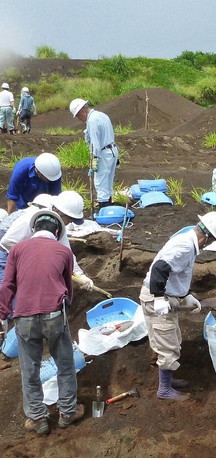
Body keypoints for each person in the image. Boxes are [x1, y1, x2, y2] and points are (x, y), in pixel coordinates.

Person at [0, 210, 84, 435]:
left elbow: (7, 285)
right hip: (54, 315)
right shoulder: (64, 251)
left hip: (24, 316)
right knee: (65, 364)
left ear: (33, 229)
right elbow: (68, 287)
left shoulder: (17, 250)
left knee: (30, 368)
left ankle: (37, 419)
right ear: (57, 232)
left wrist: (2, 313)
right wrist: (67, 309)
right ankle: (67, 412)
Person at [139, 212, 216, 401]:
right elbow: (159, 268)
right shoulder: (185, 246)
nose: (210, 245)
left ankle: (168, 380)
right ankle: (164, 389)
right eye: (212, 242)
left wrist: (186, 295)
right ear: (208, 238)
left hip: (163, 295)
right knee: (168, 344)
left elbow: (174, 272)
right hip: (158, 297)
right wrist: (159, 299)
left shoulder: (187, 241)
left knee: (170, 338)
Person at [0, 191, 95, 290]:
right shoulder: (30, 218)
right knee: (6, 290)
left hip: (22, 247)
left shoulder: (55, 222)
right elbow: (6, 242)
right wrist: (32, 258)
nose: (70, 223)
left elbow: (67, 250)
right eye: (70, 220)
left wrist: (80, 275)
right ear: (60, 212)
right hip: (4, 250)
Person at [70, 98, 119, 209]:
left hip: (103, 154)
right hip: (112, 151)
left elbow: (95, 144)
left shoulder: (92, 121)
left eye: (78, 116)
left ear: (82, 111)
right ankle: (110, 207)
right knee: (108, 182)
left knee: (100, 184)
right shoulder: (102, 115)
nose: (78, 119)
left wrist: (94, 160)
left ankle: (104, 209)